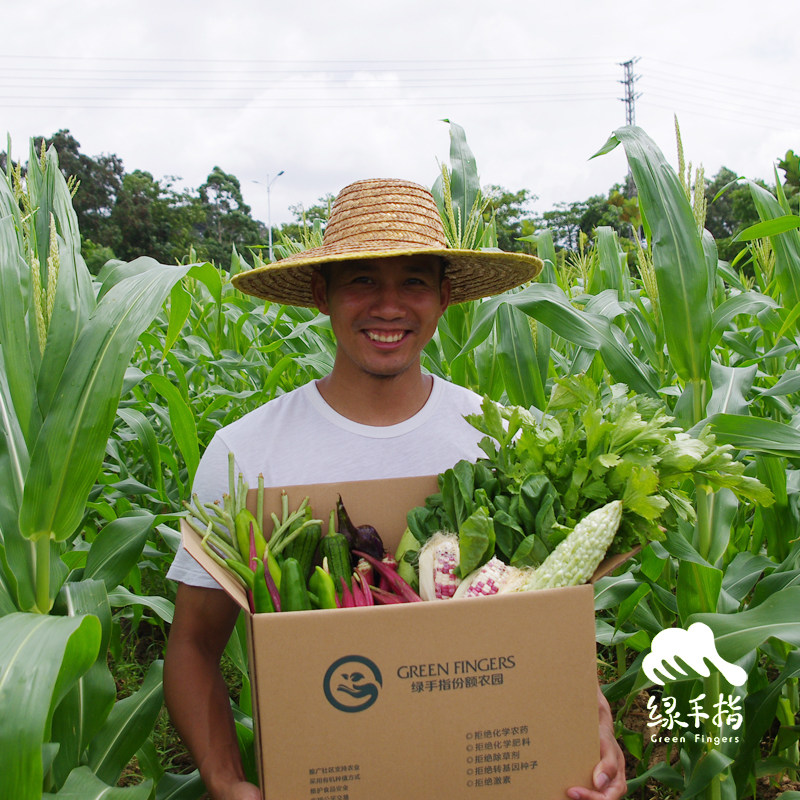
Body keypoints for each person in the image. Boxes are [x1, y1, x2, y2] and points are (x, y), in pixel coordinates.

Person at [164, 178, 627, 800]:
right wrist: (224, 779)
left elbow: (544, 628)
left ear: (444, 297)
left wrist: (589, 737)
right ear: (320, 294)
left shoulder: (505, 441)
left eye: (413, 281)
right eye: (361, 281)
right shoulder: (246, 455)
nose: (389, 306)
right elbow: (194, 644)